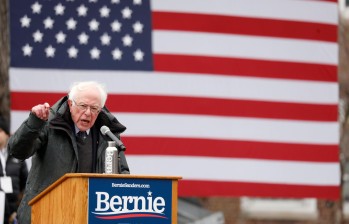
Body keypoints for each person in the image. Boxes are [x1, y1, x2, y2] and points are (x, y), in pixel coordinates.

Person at [8, 81, 130, 224]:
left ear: (100, 110)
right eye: (83, 106)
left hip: (89, 216)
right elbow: (17, 151)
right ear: (71, 104)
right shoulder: (48, 122)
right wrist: (34, 123)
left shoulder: (107, 132)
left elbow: (123, 175)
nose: (88, 113)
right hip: (47, 213)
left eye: (94, 108)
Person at [0, 116, 28, 224]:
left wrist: (18, 210)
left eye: (0, 131)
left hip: (13, 214)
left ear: (7, 134)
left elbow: (26, 185)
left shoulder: (17, 155)